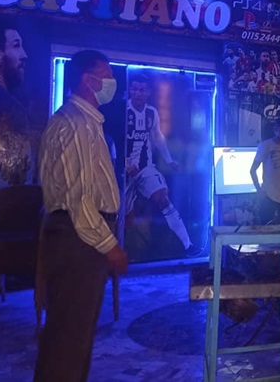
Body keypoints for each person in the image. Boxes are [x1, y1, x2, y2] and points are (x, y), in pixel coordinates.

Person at [34, 50, 129, 382]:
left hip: (76, 236)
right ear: (88, 80)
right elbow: (80, 200)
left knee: (68, 331)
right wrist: (109, 245)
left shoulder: (82, 121)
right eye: (106, 75)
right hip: (79, 239)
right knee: (71, 336)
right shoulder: (76, 125)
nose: (112, 82)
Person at [123, 73, 198, 256]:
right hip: (123, 171)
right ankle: (119, 251)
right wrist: (124, 164)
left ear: (148, 92)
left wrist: (169, 160)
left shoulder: (152, 113)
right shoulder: (123, 111)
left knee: (162, 197)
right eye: (134, 89)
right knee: (122, 213)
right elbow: (114, 140)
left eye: (142, 90)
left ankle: (188, 246)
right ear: (130, 90)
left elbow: (157, 136)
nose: (138, 93)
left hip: (145, 168)